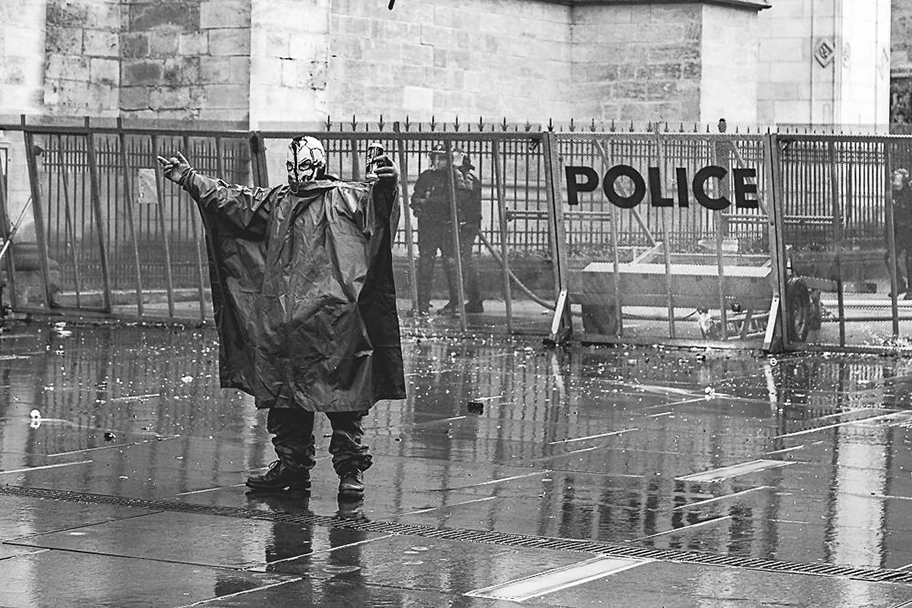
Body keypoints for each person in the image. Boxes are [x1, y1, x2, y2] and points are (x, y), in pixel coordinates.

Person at [156, 135, 406, 500]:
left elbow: (378, 212)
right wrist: (191, 178)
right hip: (286, 325)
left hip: (333, 322)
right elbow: (233, 202)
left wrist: (388, 182)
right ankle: (292, 464)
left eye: (300, 164)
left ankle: (349, 468)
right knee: (286, 399)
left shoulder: (346, 198)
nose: (294, 172)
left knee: (344, 400)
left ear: (318, 162)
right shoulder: (278, 201)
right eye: (290, 166)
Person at [409, 143, 469, 316]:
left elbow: (455, 201)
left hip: (446, 225)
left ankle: (457, 305)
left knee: (451, 263)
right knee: (425, 263)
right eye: (436, 157)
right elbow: (415, 197)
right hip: (427, 226)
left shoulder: (455, 176)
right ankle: (422, 305)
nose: (439, 161)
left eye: (442, 158)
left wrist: (427, 203)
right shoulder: (426, 176)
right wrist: (417, 206)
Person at [440, 148, 484, 315]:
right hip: (468, 225)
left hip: (461, 225)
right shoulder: (473, 179)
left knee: (454, 262)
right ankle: (474, 300)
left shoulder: (459, 180)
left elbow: (459, 202)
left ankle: (456, 302)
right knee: (466, 262)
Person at [886, 167, 912, 299]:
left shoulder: (909, 193)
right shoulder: (894, 194)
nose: (893, 178)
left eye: (896, 176)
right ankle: (899, 284)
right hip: (901, 233)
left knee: (910, 259)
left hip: (910, 230)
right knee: (890, 257)